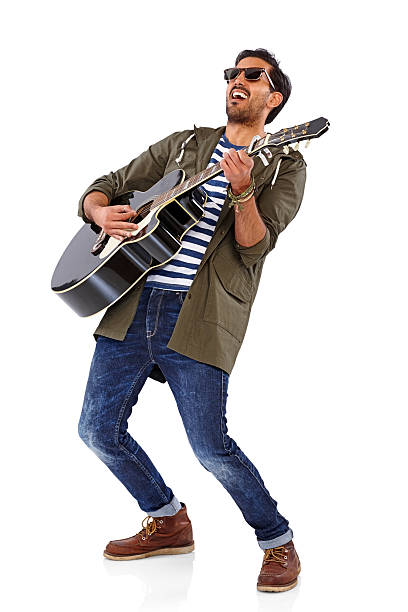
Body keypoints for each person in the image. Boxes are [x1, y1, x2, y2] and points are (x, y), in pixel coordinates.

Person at [77, 48, 306, 592]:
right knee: (96, 430)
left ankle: (277, 541)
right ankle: (166, 519)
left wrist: (243, 188)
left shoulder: (285, 164)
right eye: (233, 73)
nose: (238, 80)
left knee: (210, 447)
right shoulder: (186, 144)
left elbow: (254, 246)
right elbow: (105, 184)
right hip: (134, 305)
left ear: (273, 99)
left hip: (199, 317)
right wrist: (99, 212)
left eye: (253, 75)